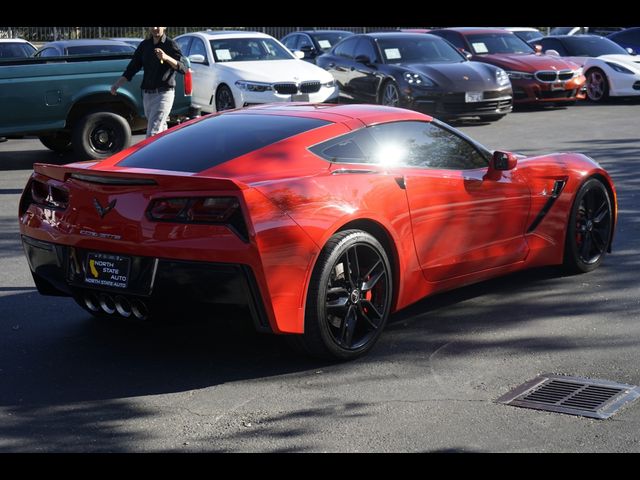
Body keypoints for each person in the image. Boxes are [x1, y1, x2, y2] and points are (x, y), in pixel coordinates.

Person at [110, 26, 186, 138]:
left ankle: (149, 155)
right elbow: (132, 68)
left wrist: (166, 58)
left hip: (164, 94)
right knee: (161, 131)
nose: (155, 28)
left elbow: (183, 68)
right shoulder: (145, 45)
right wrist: (117, 85)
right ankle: (167, 154)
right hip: (147, 95)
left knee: (153, 133)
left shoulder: (170, 44)